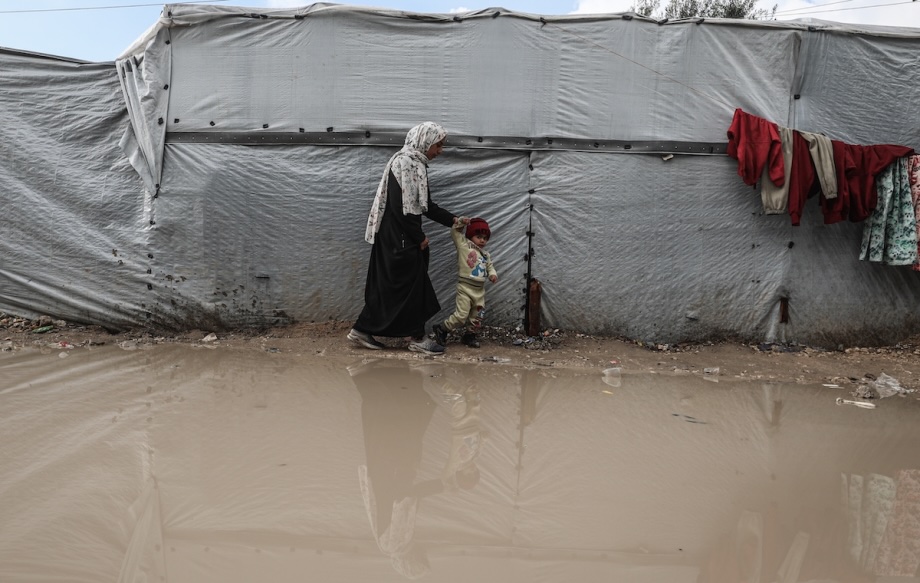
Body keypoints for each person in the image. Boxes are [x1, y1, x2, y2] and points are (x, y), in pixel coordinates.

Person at [347, 122, 467, 355]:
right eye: (438, 145)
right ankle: (416, 337)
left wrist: (454, 220)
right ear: (424, 141)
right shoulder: (406, 163)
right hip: (398, 237)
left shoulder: (415, 164)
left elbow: (425, 206)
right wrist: (418, 237)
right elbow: (401, 207)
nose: (440, 151)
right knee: (412, 287)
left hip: (398, 234)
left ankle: (364, 329)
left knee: (398, 287)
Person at [432, 217, 498, 349]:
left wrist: (492, 274)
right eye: (479, 236)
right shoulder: (463, 245)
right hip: (465, 287)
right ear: (470, 235)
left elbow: (490, 266)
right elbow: (455, 232)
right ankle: (442, 328)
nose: (482, 240)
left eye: (485, 238)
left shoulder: (485, 255)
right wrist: (462, 222)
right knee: (461, 315)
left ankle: (469, 336)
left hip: (479, 290)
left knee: (477, 316)